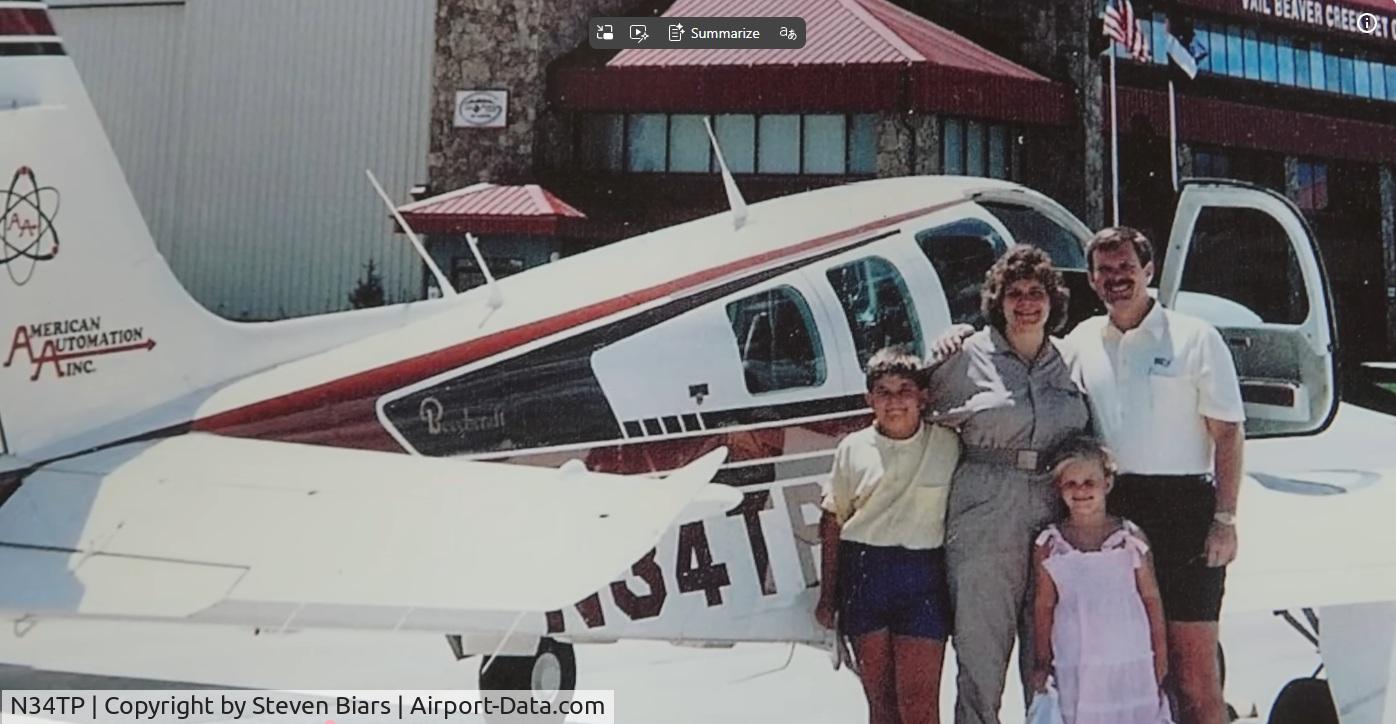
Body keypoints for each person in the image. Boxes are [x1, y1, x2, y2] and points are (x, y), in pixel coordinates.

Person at [1062, 227, 1244, 724]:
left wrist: (1225, 520)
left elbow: (1228, 435)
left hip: (1186, 512)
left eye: (1126, 267)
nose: (1116, 278)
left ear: (1148, 270)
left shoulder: (1196, 338)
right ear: (1092, 280)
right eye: (1104, 270)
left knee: (1195, 677)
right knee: (1136, 673)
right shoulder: (1080, 341)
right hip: (1117, 511)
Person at [925, 245, 1091, 724]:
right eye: (1014, 293)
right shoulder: (967, 356)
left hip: (1054, 510)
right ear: (997, 302)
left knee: (1051, 653)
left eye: (1036, 292)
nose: (1026, 303)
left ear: (1052, 301)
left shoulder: (1070, 360)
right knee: (981, 652)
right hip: (986, 511)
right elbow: (912, 405)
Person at [816, 346, 960, 724]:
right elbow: (832, 521)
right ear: (870, 400)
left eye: (905, 390)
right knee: (881, 704)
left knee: (920, 705)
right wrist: (827, 597)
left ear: (923, 396)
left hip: (923, 577)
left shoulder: (948, 443)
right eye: (883, 392)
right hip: (865, 574)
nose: (895, 401)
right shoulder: (853, 448)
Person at [1029, 436, 1171, 724]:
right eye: (1071, 483)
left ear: (1107, 483)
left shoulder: (1130, 538)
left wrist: (1161, 655)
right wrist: (1042, 660)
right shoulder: (1050, 543)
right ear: (1059, 487)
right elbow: (1044, 604)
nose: (1080, 490)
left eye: (1089, 482)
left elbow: (1151, 598)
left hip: (1130, 658)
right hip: (1077, 660)